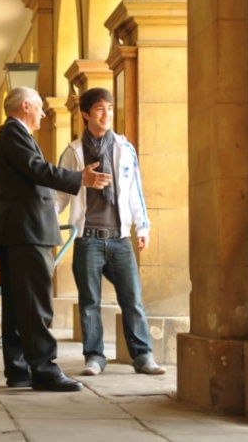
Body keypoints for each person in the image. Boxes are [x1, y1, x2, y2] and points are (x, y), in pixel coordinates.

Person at [0, 86, 112, 392]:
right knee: (36, 303)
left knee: (18, 305)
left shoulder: (12, 134)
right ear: (25, 106)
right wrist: (80, 178)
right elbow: (36, 169)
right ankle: (45, 369)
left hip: (19, 231)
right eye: (39, 108)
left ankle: (20, 369)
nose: (42, 114)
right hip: (26, 231)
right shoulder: (13, 132)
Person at [56, 87, 165, 376]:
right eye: (101, 109)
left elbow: (135, 192)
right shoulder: (73, 153)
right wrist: (43, 225)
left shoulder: (124, 149)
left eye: (110, 108)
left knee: (133, 299)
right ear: (85, 114)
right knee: (90, 302)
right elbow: (59, 196)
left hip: (120, 238)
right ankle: (95, 357)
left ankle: (143, 357)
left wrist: (142, 227)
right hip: (87, 239)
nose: (107, 114)